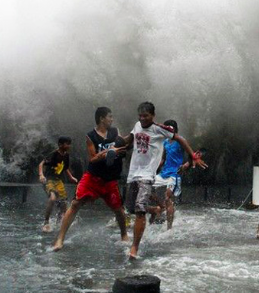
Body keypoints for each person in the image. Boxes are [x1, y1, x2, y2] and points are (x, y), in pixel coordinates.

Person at [122, 102, 206, 259]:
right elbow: (158, 154)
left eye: (145, 115)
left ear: (153, 116)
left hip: (172, 174)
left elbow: (186, 143)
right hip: (151, 173)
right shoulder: (162, 141)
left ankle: (166, 228)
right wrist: (117, 144)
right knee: (133, 206)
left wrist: (191, 159)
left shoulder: (161, 131)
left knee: (165, 197)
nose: (142, 118)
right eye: (140, 115)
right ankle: (156, 209)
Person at [53, 107, 129, 251]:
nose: (112, 119)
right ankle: (60, 239)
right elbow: (93, 159)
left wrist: (123, 147)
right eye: (109, 117)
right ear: (101, 118)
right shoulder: (90, 136)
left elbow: (122, 144)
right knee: (75, 204)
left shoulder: (115, 131)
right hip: (93, 177)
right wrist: (108, 152)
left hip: (109, 179)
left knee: (118, 209)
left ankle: (124, 235)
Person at [151, 120, 208, 230]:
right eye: (167, 128)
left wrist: (186, 165)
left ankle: (169, 228)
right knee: (147, 187)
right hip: (163, 173)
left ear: (175, 130)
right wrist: (154, 168)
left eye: (171, 128)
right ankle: (161, 207)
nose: (169, 130)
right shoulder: (165, 142)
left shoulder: (181, 141)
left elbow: (193, 154)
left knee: (167, 197)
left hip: (175, 174)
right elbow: (163, 159)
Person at [39, 136, 77, 233]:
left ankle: (59, 223)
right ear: (60, 145)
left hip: (58, 181)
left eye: (69, 143)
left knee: (63, 204)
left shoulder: (66, 155)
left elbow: (65, 167)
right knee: (52, 198)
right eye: (67, 144)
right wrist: (41, 175)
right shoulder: (54, 154)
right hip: (49, 180)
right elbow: (41, 164)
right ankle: (46, 223)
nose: (69, 146)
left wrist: (71, 177)